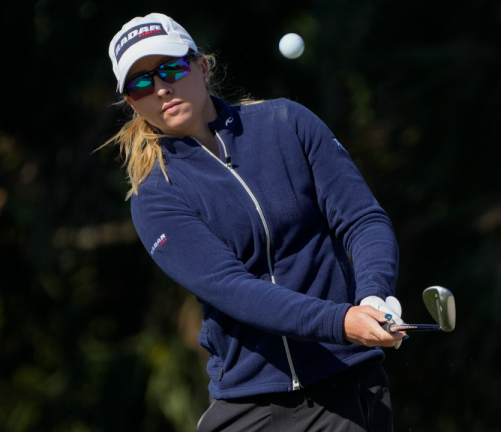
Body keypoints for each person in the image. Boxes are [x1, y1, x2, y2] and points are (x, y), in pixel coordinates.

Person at [103, 13, 407, 432]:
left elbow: (362, 219)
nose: (160, 87)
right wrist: (339, 321)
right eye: (140, 83)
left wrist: (374, 297)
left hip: (345, 383)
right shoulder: (155, 194)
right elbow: (233, 289)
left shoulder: (287, 123)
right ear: (132, 102)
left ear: (202, 66)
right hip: (250, 403)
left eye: (171, 67)